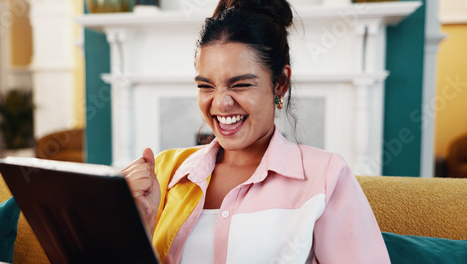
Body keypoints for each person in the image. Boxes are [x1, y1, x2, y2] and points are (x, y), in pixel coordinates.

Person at [121, 0, 391, 263]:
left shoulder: (325, 176)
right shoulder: (164, 173)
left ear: (280, 84)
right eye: (206, 86)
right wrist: (133, 224)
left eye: (240, 85)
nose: (220, 103)